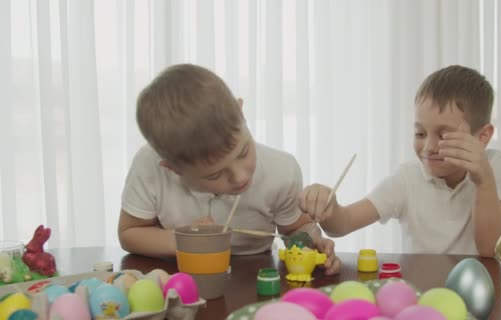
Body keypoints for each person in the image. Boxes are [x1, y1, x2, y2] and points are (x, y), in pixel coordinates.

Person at [118, 64, 340, 274]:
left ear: (241, 112)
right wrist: (183, 239)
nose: (240, 176)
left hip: (253, 274)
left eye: (243, 152)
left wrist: (310, 243)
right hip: (181, 275)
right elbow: (129, 233)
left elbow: (296, 229)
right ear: (174, 169)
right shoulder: (149, 166)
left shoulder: (281, 170)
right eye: (215, 174)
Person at [299, 65, 501, 257]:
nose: (429, 148)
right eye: (420, 134)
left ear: (482, 137)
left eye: (443, 135)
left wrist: (483, 180)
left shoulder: (494, 167)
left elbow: (490, 249)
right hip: (421, 294)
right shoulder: (407, 179)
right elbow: (344, 223)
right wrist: (329, 207)